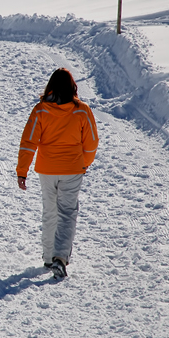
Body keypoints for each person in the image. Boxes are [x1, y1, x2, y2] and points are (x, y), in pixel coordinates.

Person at [16, 68, 99, 279]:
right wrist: (84, 164)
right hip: (72, 169)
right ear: (73, 87)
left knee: (49, 211)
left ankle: (48, 256)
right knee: (67, 213)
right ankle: (60, 258)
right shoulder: (82, 111)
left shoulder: (40, 110)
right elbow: (91, 143)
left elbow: (29, 142)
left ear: (50, 86)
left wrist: (22, 171)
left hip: (47, 170)